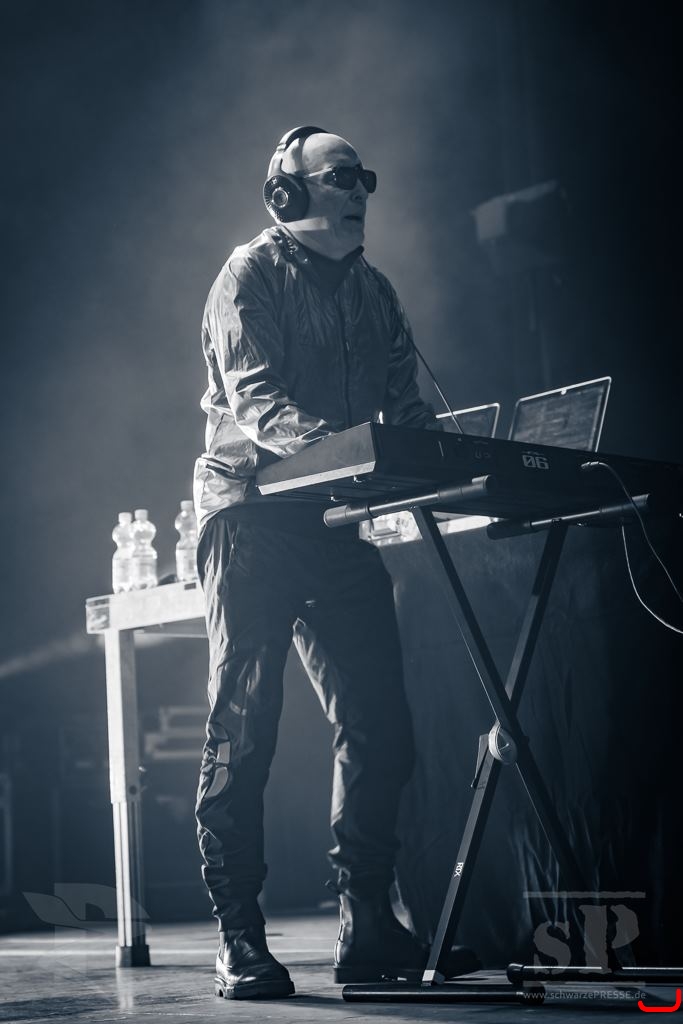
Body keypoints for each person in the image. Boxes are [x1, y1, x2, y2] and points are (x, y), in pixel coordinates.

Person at [193, 126, 477, 1000]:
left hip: (333, 519)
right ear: (287, 194)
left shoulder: (372, 289)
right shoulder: (248, 273)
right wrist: (356, 453)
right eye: (342, 176)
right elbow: (258, 404)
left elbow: (406, 407)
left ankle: (366, 923)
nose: (360, 192)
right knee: (244, 727)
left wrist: (464, 462)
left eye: (366, 179)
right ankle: (239, 938)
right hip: (250, 518)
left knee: (380, 723)